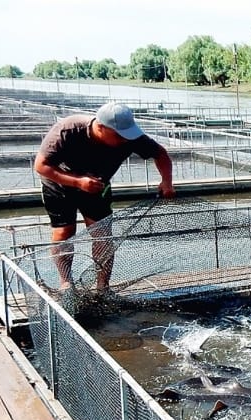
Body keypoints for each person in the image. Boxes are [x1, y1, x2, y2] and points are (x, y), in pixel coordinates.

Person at [34, 102, 175, 292]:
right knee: (64, 232)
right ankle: (66, 283)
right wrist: (78, 182)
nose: (125, 140)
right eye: (119, 135)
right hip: (60, 183)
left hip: (98, 186)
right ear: (100, 127)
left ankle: (103, 287)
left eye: (128, 135)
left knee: (103, 235)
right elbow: (41, 165)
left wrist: (167, 181)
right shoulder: (68, 130)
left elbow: (161, 154)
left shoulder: (130, 137)